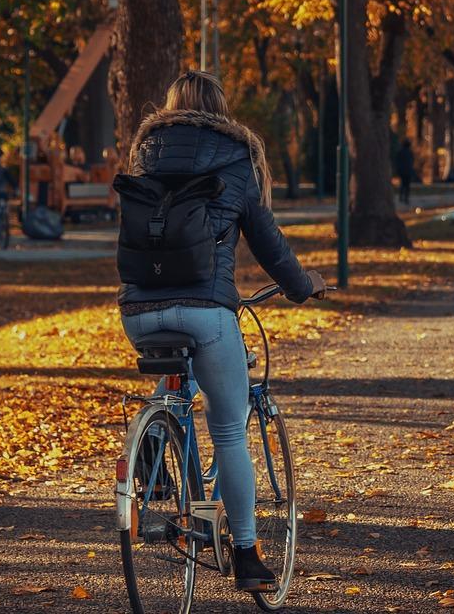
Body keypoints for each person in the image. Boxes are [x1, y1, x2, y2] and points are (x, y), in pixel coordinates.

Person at [119, 70, 328, 592]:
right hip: (207, 311)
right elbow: (268, 243)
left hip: (138, 312)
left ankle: (156, 431)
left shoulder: (144, 152)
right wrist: (302, 286)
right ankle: (248, 555)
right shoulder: (239, 158)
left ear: (170, 106)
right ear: (221, 108)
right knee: (230, 429)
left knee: (176, 369)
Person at [393, 136, 417, 205]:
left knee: (403, 184)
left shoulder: (400, 152)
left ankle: (401, 197)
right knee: (407, 185)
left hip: (402, 171)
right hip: (408, 171)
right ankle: (406, 198)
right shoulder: (409, 152)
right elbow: (412, 162)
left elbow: (397, 161)